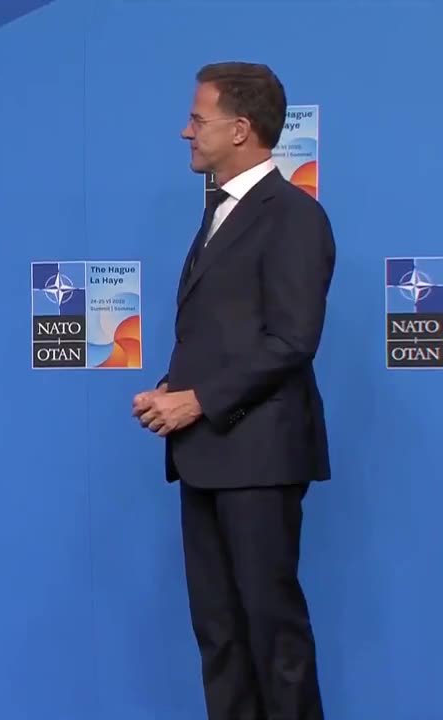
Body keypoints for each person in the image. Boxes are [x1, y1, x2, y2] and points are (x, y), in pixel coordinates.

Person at [132, 62, 335, 720]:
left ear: (241, 129)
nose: (185, 131)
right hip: (205, 455)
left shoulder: (294, 217)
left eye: (198, 119)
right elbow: (229, 333)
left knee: (273, 636)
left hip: (259, 455)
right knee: (219, 637)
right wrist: (174, 387)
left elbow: (292, 339)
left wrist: (198, 399)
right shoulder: (217, 212)